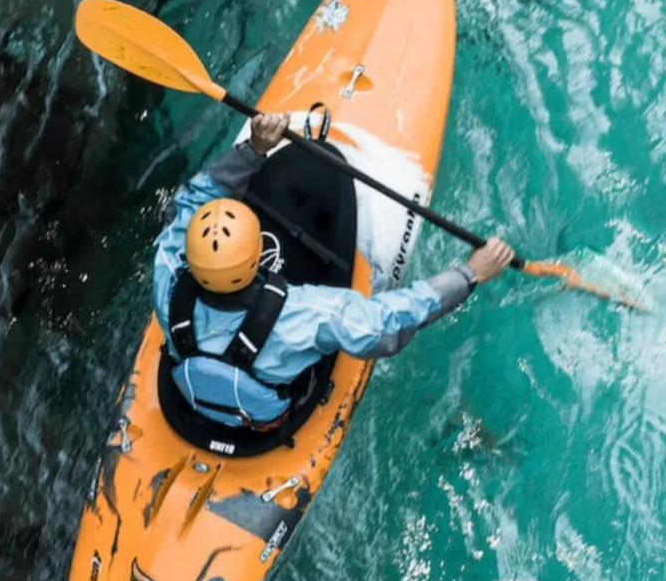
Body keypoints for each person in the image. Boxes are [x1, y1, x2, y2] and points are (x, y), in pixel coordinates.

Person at [153, 114, 516, 429]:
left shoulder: (168, 272)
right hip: (270, 415)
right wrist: (469, 275)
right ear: (258, 256)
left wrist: (253, 150)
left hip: (192, 393)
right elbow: (387, 327)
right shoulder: (303, 315)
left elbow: (188, 202)